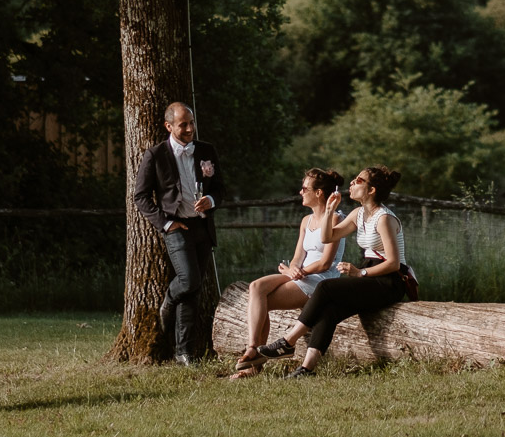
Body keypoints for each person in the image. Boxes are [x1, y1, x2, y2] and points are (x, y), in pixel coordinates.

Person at [246, 164, 409, 377]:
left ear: (371, 190)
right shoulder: (358, 214)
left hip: (391, 280)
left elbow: (394, 263)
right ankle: (306, 369)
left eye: (359, 181)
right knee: (329, 311)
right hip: (371, 274)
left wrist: (360, 273)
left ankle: (288, 342)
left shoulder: (384, 218)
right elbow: (327, 237)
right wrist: (330, 210)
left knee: (325, 287)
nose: (352, 182)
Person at [130, 101, 224, 364]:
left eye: (191, 123)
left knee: (193, 292)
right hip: (176, 227)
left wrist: (211, 201)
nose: (189, 129)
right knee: (190, 280)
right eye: (183, 124)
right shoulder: (156, 155)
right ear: (169, 126)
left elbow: (220, 188)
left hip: (202, 226)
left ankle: (183, 352)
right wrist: (166, 223)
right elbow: (140, 197)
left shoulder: (206, 151)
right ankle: (169, 300)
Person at [229, 168, 345, 379]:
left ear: (319, 193)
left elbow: (326, 262)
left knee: (263, 301)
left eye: (304, 188)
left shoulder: (336, 219)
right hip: (301, 274)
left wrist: (298, 272)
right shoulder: (305, 221)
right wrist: (292, 268)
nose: (300, 192)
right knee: (256, 287)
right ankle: (253, 348)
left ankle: (254, 363)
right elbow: (297, 257)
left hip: (320, 280)